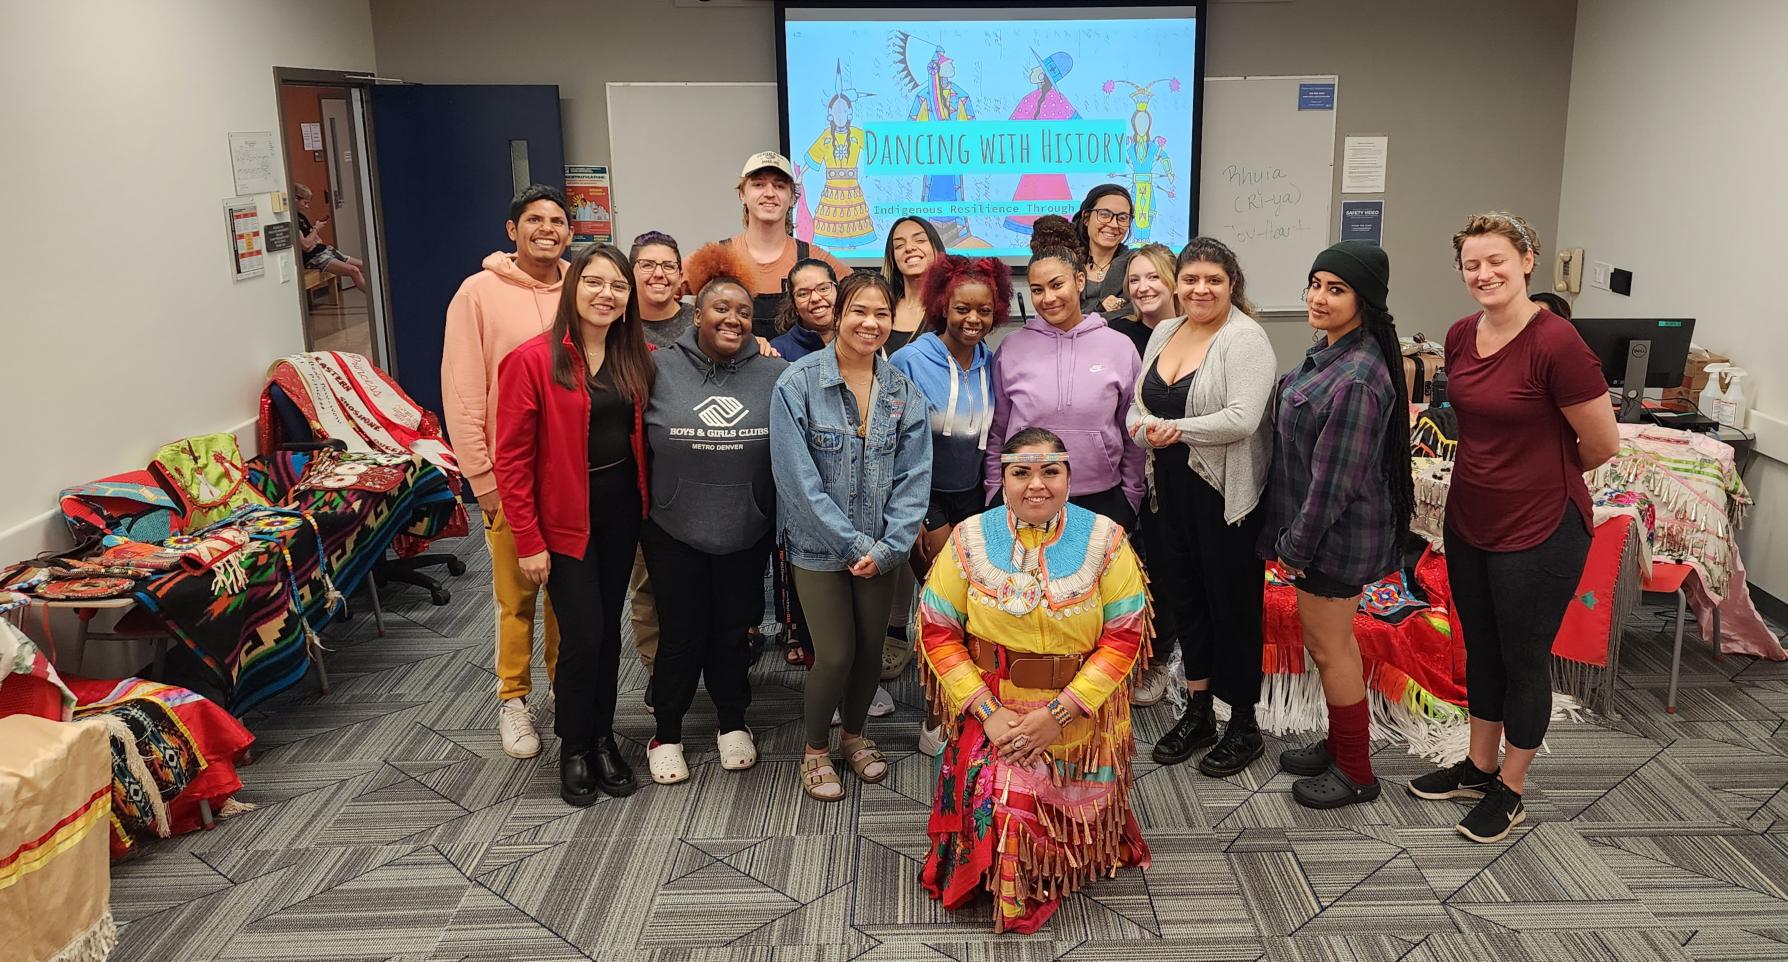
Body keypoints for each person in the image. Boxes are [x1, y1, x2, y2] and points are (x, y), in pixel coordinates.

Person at [1409, 213, 1617, 843]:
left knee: (1524, 659)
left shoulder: (1556, 342)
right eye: (1472, 264)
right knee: (1481, 648)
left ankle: (1513, 787)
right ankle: (1477, 765)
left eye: (1496, 260)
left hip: (1542, 525)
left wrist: (1538, 474)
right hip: (1472, 517)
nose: (1484, 274)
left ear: (1527, 260)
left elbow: (1602, 442)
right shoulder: (1460, 335)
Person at [918, 427, 1151, 933]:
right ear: (1002, 477)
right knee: (1009, 817)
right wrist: (987, 711)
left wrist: (1059, 714)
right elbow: (937, 632)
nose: (1036, 485)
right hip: (996, 709)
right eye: (1021, 472)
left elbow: (1123, 638)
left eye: (1051, 471)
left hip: (1079, 716)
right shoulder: (969, 539)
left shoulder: (1106, 540)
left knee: (1038, 816)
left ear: (1071, 476)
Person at [492, 242, 655, 806]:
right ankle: (573, 744)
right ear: (573, 287)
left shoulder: (636, 356)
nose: (605, 294)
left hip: (620, 513)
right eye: (594, 282)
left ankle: (604, 736)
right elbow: (510, 461)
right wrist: (529, 541)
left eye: (618, 286)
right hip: (563, 521)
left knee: (606, 633)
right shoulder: (532, 360)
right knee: (581, 636)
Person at [771, 271, 931, 802]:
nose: (870, 322)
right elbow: (796, 480)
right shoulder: (797, 383)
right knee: (835, 655)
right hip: (819, 547)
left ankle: (853, 736)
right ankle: (815, 749)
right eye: (858, 311)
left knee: (870, 653)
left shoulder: (902, 391)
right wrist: (851, 544)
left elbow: (915, 476)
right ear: (837, 315)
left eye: (882, 314)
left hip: (883, 549)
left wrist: (891, 545)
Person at [1262, 241, 1412, 810]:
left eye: (1336, 289)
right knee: (1335, 643)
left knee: (1330, 649)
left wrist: (1296, 546)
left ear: (1364, 300)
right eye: (1315, 283)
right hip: (1328, 531)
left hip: (1333, 537)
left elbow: (1334, 483)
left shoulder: (1355, 377)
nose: (1318, 298)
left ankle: (1355, 770)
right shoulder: (1334, 352)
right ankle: (1339, 741)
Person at [640, 243, 789, 784]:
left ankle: (733, 722)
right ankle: (668, 731)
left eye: (744, 311)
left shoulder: (776, 374)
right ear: (695, 313)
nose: (733, 318)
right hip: (672, 528)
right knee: (680, 633)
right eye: (721, 308)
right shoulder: (657, 369)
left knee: (733, 632)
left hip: (745, 527)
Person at [1127, 238, 1276, 776]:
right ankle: (1198, 711)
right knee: (1186, 600)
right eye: (1190, 280)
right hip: (1169, 491)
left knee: (1231, 607)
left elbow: (1242, 418)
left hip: (1225, 496)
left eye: (1213, 280)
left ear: (1231, 284)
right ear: (1176, 284)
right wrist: (1144, 428)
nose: (1200, 289)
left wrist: (1170, 430)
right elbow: (1135, 408)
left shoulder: (1245, 339)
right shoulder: (1165, 331)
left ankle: (1243, 723)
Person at [441, 184, 571, 760]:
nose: (548, 229)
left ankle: (567, 692)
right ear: (512, 229)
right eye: (535, 220)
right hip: (511, 477)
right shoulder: (477, 294)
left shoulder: (581, 287)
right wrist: (483, 480)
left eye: (559, 221)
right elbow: (464, 392)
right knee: (515, 596)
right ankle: (513, 700)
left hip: (573, 476)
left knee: (569, 599)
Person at [891, 255, 1010, 755]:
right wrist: (911, 511)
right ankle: (940, 712)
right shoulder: (910, 361)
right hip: (927, 498)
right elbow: (892, 442)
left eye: (984, 311)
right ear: (943, 305)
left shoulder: (990, 362)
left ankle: (969, 700)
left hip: (975, 498)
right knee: (947, 607)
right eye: (963, 308)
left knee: (975, 607)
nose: (973, 320)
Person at [986, 245, 1144, 530]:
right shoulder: (1012, 348)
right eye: (1037, 289)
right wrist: (994, 490)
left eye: (1057, 285)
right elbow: (998, 429)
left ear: (1080, 281)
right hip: (1025, 497)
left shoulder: (1119, 347)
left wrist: (1131, 496)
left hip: (1103, 499)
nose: (1048, 298)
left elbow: (1131, 430)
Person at [726, 150, 847, 339]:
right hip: (735, 367)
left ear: (792, 198)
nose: (769, 193)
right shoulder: (719, 257)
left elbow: (861, 297)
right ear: (742, 194)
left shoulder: (813, 257)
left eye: (779, 186)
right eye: (758, 185)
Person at [882, 216, 945, 355]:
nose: (909, 248)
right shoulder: (881, 308)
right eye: (899, 245)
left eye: (920, 240)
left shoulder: (951, 308)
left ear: (936, 247)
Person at [1073, 185, 1136, 320]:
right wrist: (1100, 307)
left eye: (1122, 218)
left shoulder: (1135, 263)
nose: (1114, 224)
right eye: (1104, 215)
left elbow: (1139, 309)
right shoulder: (1065, 262)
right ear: (1086, 218)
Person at [1109, 242, 1178, 358]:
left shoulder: (1194, 335)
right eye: (1134, 280)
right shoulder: (1116, 334)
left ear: (1176, 284)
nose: (1142, 288)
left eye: (1154, 277)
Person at [293, 183, 368, 290]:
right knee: (354, 270)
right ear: (295, 199)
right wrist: (316, 229)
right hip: (314, 258)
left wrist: (313, 236)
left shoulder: (302, 217)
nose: (307, 206)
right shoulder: (293, 220)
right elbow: (306, 245)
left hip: (324, 250)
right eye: (305, 203)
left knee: (365, 265)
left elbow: (318, 240)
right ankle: (372, 298)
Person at [631, 231, 692, 350]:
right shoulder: (618, 325)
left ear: (680, 277)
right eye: (647, 265)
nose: (659, 274)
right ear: (629, 274)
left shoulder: (699, 323)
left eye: (668, 266)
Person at [769, 258, 837, 362]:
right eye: (803, 294)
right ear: (794, 306)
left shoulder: (858, 340)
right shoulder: (777, 351)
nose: (815, 298)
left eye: (823, 288)